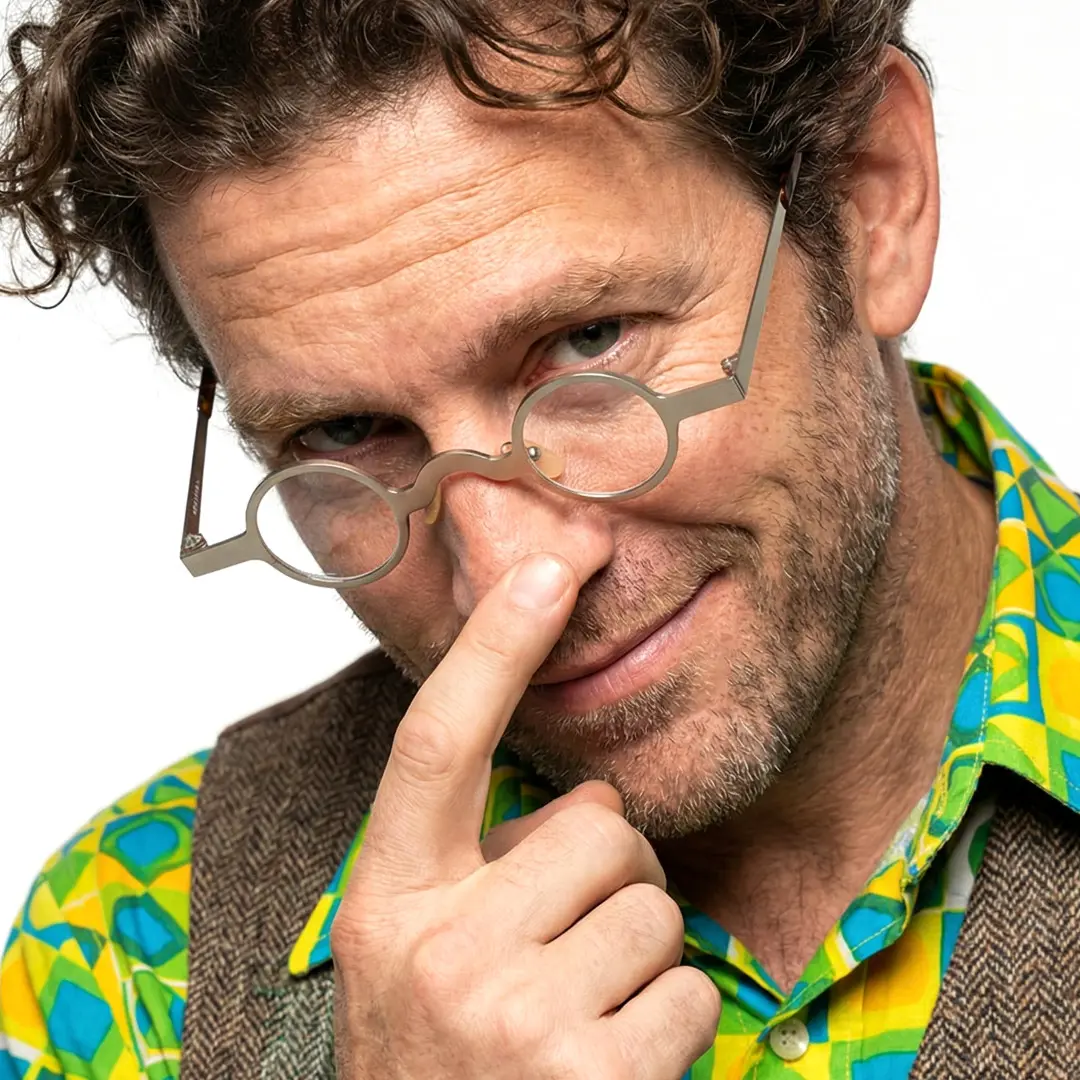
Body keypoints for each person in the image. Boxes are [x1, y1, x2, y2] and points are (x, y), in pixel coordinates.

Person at [2, 0, 1078, 1077]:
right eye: (345, 432)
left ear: (869, 196)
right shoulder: (125, 955)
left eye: (587, 343)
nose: (512, 571)